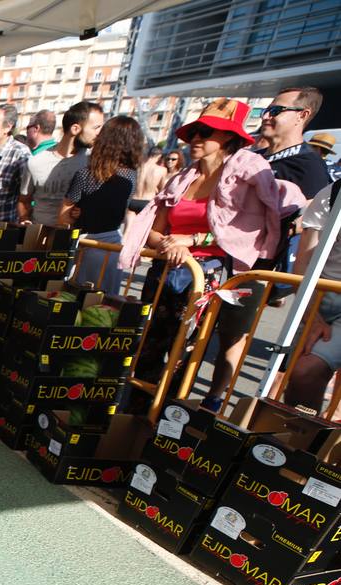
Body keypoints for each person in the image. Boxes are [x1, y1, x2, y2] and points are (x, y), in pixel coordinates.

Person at [121, 99, 288, 413]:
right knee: (148, 347)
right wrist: (171, 245)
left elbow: (244, 230)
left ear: (228, 137)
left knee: (184, 354)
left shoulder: (244, 178)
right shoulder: (181, 179)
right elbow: (156, 231)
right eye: (195, 130)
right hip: (166, 272)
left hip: (208, 277)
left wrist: (194, 239)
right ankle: (135, 416)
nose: (196, 138)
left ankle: (167, 420)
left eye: (207, 131)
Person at [60, 115, 144, 295]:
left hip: (85, 247)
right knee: (103, 309)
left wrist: (76, 213)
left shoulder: (85, 175)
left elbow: (63, 216)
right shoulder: (131, 177)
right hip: (113, 251)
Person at [282, 180, 341, 412]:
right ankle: (301, 442)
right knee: (301, 377)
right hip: (320, 299)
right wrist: (311, 316)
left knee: (307, 373)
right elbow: (303, 260)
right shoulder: (332, 193)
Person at [22, 101, 104, 227]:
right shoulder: (36, 162)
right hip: (37, 240)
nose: (100, 133)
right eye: (96, 128)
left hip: (74, 241)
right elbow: (24, 201)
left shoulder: (93, 163)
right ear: (75, 129)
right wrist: (24, 219)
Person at [258, 87, 329, 200]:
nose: (265, 117)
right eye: (266, 111)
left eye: (276, 110)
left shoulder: (309, 167)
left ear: (302, 115)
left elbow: (306, 216)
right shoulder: (254, 156)